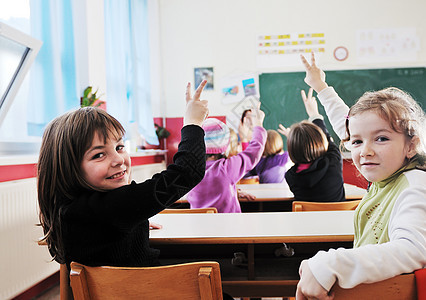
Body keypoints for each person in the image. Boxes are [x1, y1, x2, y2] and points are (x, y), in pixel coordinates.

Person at [37, 81, 209, 270]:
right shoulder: (112, 208)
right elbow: (188, 171)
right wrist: (193, 123)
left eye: (120, 147)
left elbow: (108, 223)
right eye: (99, 155)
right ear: (68, 167)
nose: (118, 159)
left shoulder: (71, 211)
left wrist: (133, 221)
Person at [296, 52, 426, 299]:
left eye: (381, 138)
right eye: (356, 141)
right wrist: (320, 87)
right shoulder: (389, 176)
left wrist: (332, 262)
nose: (365, 150)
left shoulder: (415, 185)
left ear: (411, 146)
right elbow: (343, 123)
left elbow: (413, 249)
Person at [186, 105, 267, 213]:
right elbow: (254, 150)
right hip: (229, 227)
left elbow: (208, 191)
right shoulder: (226, 168)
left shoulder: (188, 171)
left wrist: (232, 191)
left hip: (199, 228)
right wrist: (258, 124)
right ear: (225, 145)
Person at [279, 87, 345, 202]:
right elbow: (327, 138)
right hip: (337, 219)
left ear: (291, 149)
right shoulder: (333, 161)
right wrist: (314, 114)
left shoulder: (291, 177)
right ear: (321, 141)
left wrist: (295, 140)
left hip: (307, 220)